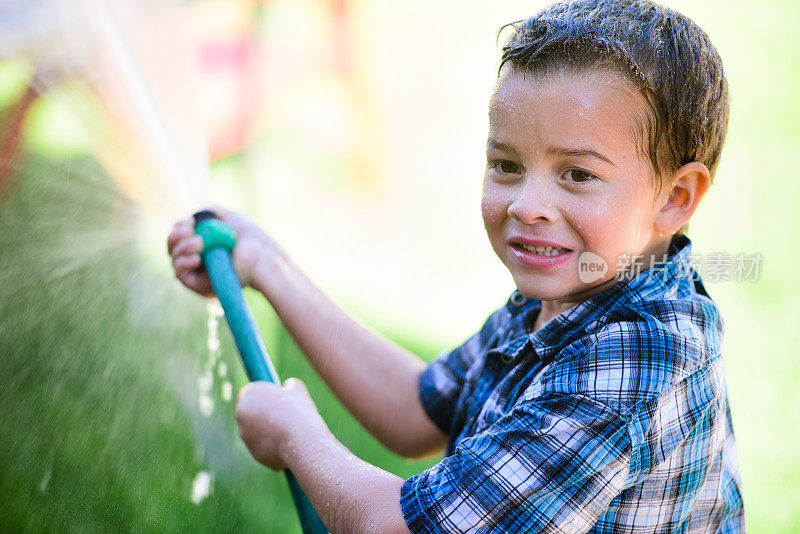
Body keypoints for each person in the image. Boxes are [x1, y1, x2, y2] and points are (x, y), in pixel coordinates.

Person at [168, 0, 744, 531]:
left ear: (675, 197)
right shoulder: (572, 293)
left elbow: (397, 528)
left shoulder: (636, 358)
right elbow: (416, 411)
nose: (527, 205)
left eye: (578, 174)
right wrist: (268, 267)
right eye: (507, 164)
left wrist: (300, 439)